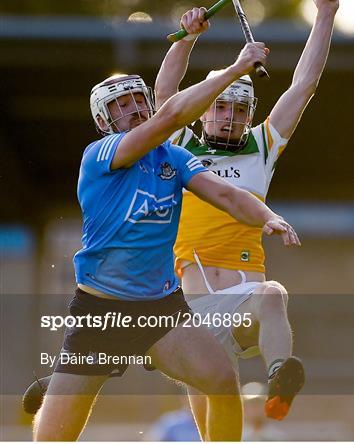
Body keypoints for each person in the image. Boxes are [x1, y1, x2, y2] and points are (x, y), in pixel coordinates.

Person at [29, 39, 301, 441]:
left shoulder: (173, 158)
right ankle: (63, 380)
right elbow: (172, 114)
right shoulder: (102, 153)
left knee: (222, 380)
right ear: (104, 122)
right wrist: (234, 70)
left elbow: (226, 195)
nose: (134, 108)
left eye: (138, 99)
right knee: (53, 438)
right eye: (120, 106)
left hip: (162, 308)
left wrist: (267, 216)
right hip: (100, 311)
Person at [153, 0, 340, 434]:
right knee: (217, 433)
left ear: (250, 116)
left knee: (273, 294)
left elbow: (305, 84)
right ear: (203, 111)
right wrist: (187, 38)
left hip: (243, 301)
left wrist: (325, 14)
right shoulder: (179, 146)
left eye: (239, 111)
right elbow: (164, 96)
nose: (230, 117)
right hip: (192, 308)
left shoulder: (261, 146)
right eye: (220, 108)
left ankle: (279, 379)